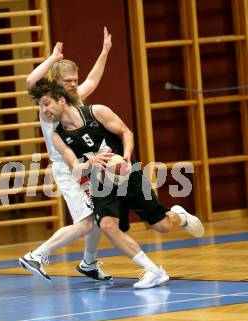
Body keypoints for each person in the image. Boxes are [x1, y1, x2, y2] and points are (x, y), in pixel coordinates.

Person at [27, 79, 204, 289]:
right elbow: (74, 167)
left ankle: (180, 216)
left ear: (62, 100)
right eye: (40, 105)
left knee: (162, 226)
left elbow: (126, 132)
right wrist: (88, 163)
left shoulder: (96, 112)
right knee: (107, 225)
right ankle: (153, 270)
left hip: (128, 173)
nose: (44, 110)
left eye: (46, 103)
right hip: (101, 183)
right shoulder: (58, 137)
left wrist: (126, 157)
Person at [20, 28, 115, 281]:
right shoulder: (48, 104)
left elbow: (93, 80)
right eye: (68, 81)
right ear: (56, 83)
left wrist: (104, 51)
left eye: (75, 79)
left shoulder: (75, 98)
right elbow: (30, 82)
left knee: (95, 217)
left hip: (86, 165)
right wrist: (52, 58)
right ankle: (36, 255)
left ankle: (89, 263)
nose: (74, 84)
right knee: (85, 223)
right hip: (67, 168)